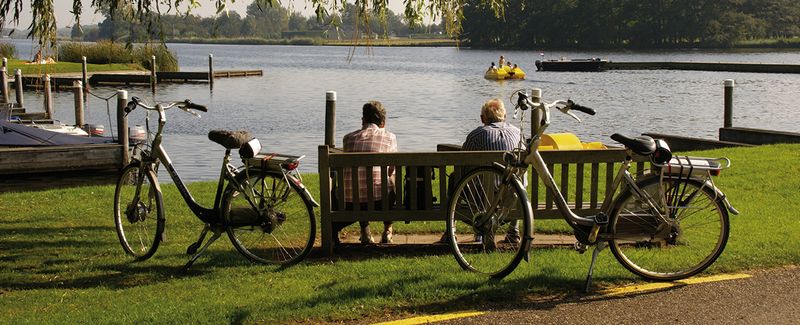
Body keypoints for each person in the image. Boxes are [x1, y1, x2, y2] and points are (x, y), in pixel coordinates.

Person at [448, 98, 523, 244]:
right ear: (505, 116)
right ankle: (514, 232)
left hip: (480, 198)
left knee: (454, 178)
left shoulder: (477, 135)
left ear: (483, 118)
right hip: (511, 197)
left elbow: (462, 164)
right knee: (518, 180)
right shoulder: (517, 133)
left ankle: (451, 230)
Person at [335, 101, 398, 244]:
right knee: (389, 181)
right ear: (382, 122)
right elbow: (392, 169)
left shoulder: (348, 139)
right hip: (381, 202)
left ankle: (365, 231)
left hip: (350, 203)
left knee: (358, 181)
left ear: (363, 120)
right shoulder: (390, 138)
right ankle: (388, 230)